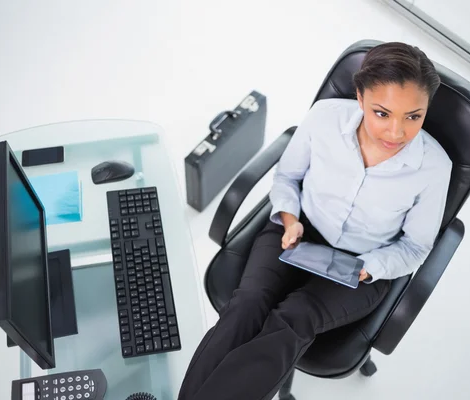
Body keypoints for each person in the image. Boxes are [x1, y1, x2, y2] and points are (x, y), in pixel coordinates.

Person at [178, 42, 452, 400]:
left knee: (295, 318)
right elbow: (287, 178)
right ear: (360, 97)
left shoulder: (433, 168)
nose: (396, 133)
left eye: (413, 116)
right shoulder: (324, 118)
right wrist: (290, 219)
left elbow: (416, 246)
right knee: (246, 305)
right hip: (297, 230)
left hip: (364, 265)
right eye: (382, 113)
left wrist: (367, 268)